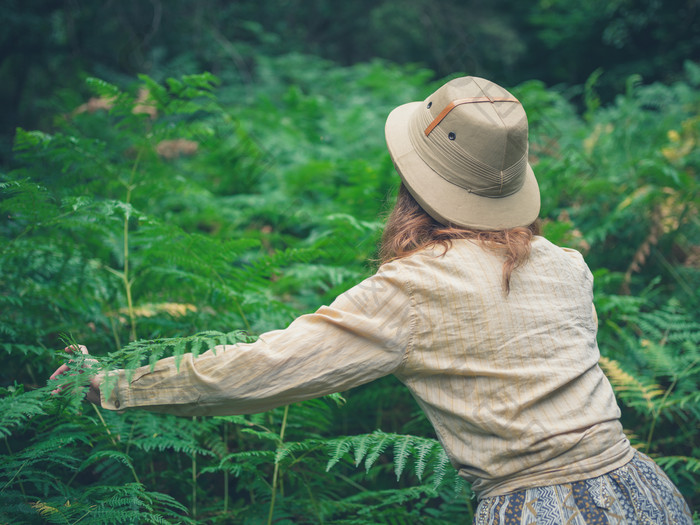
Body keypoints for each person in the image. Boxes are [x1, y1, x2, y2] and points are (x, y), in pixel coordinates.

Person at [51, 76, 693, 524]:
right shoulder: (568, 266)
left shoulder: (414, 289)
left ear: (415, 180)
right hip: (648, 495)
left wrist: (111, 386)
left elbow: (262, 370)